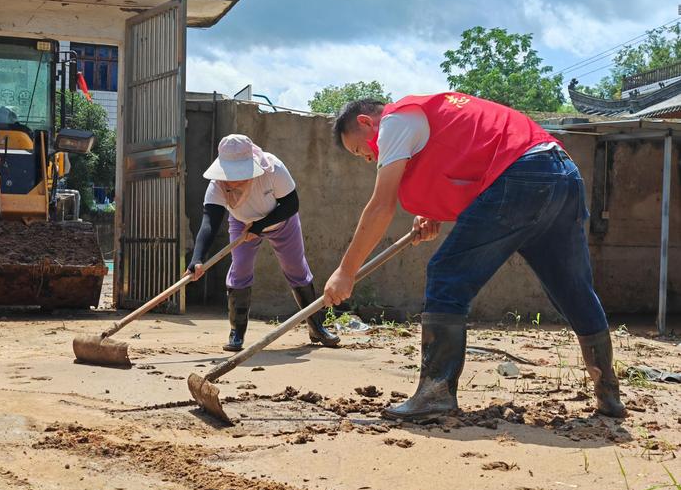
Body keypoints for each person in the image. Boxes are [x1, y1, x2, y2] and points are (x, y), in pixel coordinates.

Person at [323, 93, 625, 420]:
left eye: (359, 149)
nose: (367, 158)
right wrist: (432, 213)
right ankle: (608, 393)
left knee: (447, 274)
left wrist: (346, 270)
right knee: (573, 290)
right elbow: (474, 176)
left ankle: (435, 393)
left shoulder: (395, 121)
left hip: (523, 175)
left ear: (367, 123)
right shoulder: (436, 124)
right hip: (560, 173)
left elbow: (381, 206)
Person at [187, 134, 340, 351]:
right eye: (229, 173)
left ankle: (317, 326)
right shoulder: (217, 186)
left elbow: (291, 204)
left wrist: (260, 226)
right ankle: (236, 333)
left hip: (281, 222)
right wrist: (197, 258)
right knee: (240, 269)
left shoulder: (273, 169)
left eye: (239, 173)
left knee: (296, 268)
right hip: (242, 224)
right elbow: (209, 221)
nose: (233, 179)